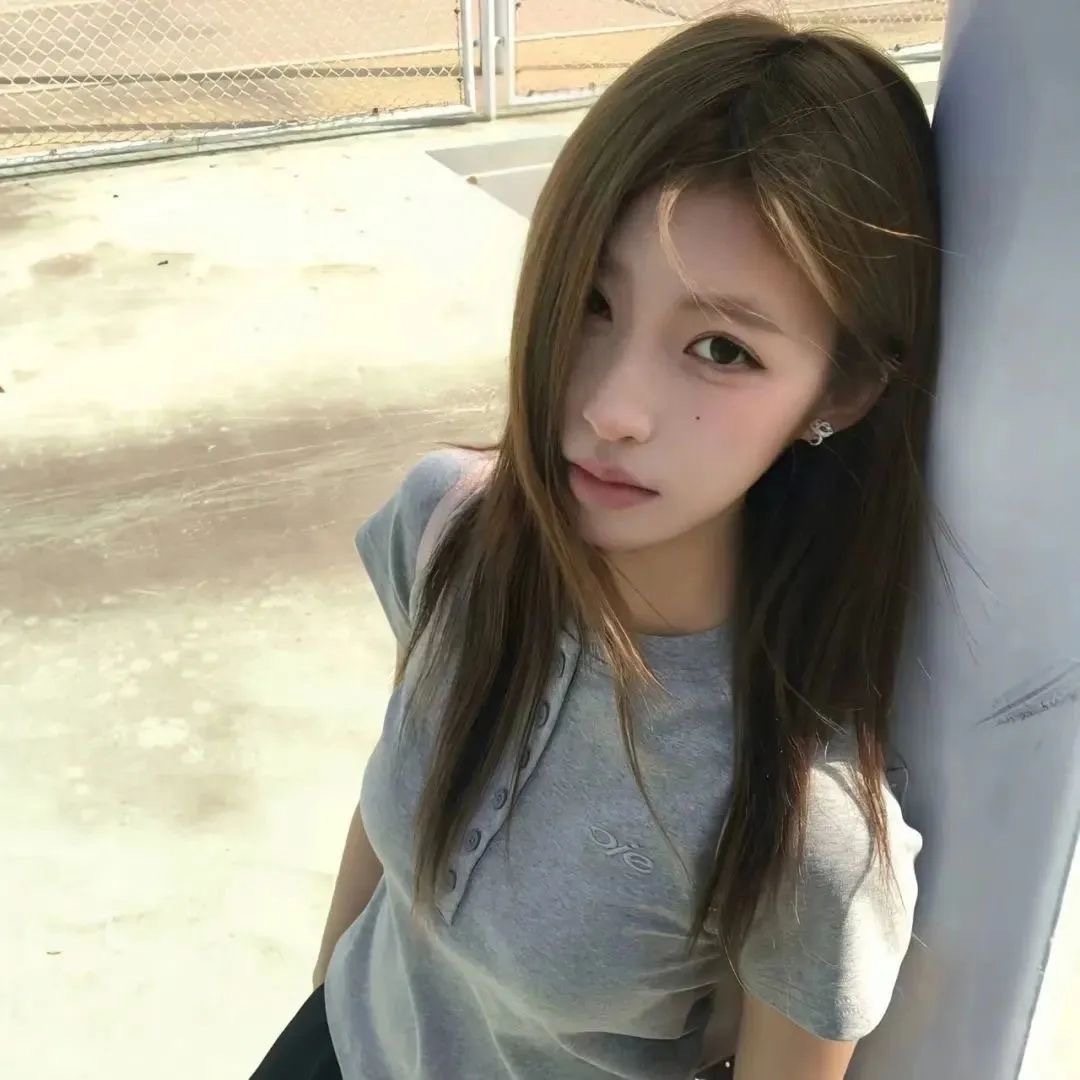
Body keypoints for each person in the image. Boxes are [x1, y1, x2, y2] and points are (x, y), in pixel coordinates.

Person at [253, 10, 940, 1079]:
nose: (613, 407)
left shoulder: (803, 825)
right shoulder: (448, 527)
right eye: (590, 300)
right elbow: (396, 801)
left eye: (721, 349)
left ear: (839, 392)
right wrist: (325, 1000)